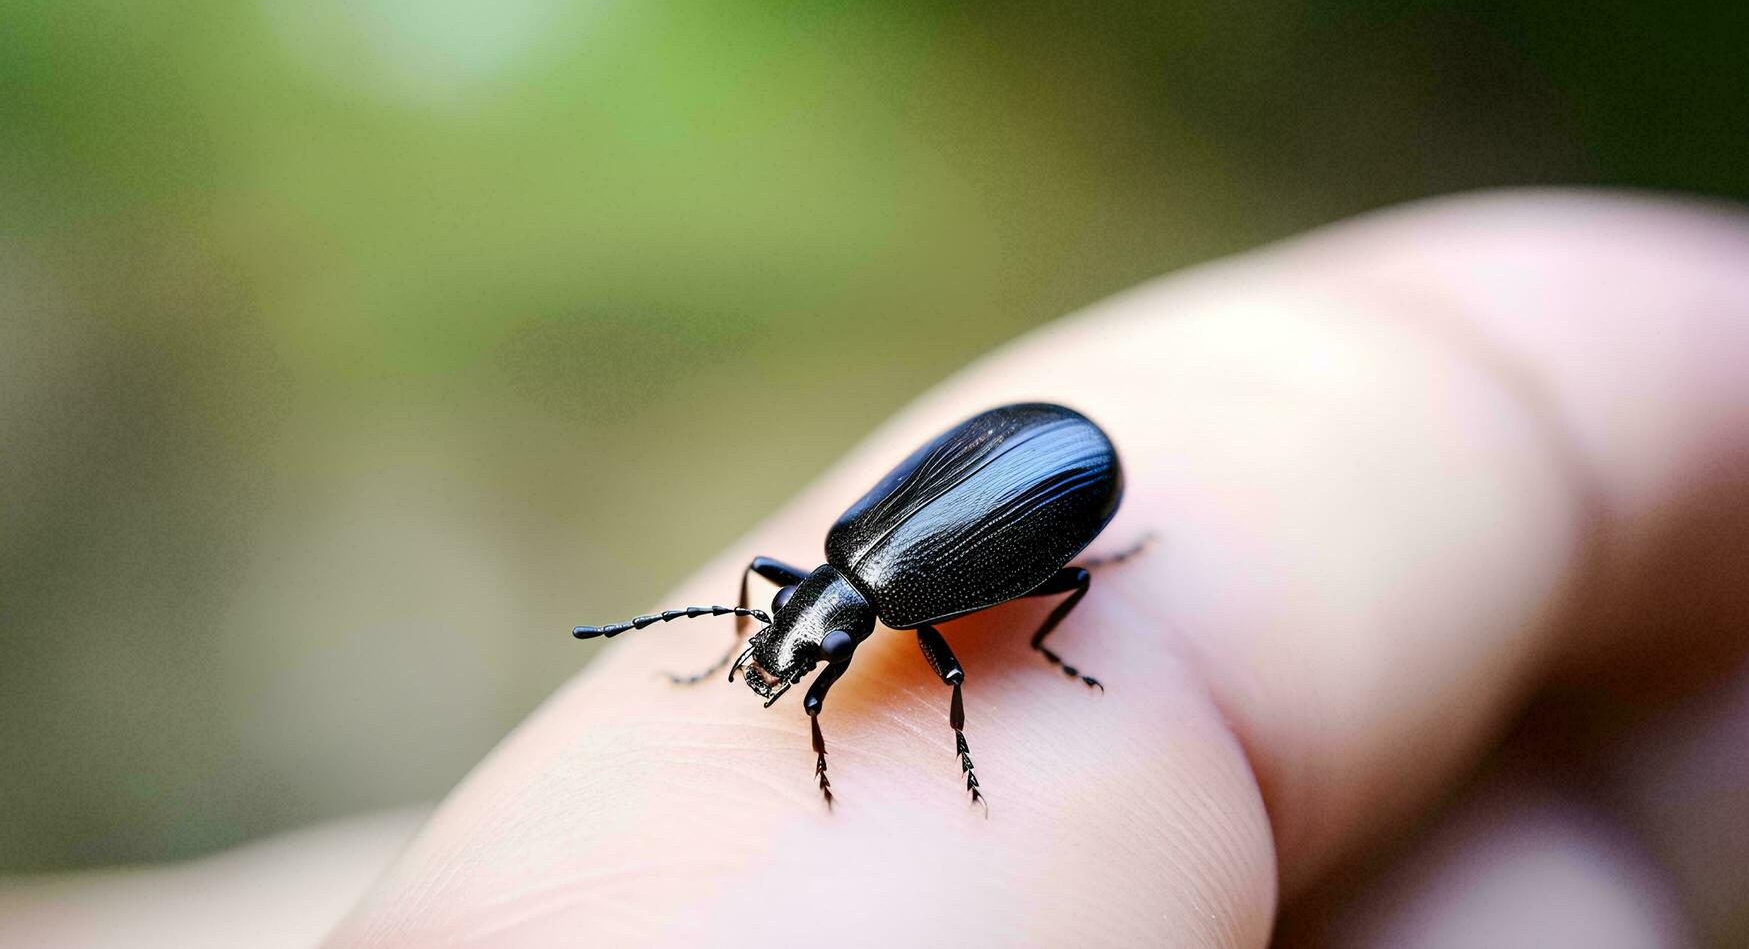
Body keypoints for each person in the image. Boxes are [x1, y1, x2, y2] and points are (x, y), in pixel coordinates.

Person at [6, 191, 1747, 947]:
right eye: (793, 654)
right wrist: (739, 657)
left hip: (1060, 478)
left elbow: (1006, 542)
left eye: (791, 656)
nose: (792, 664)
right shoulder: (844, 577)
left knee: (1020, 633)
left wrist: (1032, 645)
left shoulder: (891, 595)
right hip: (1038, 463)